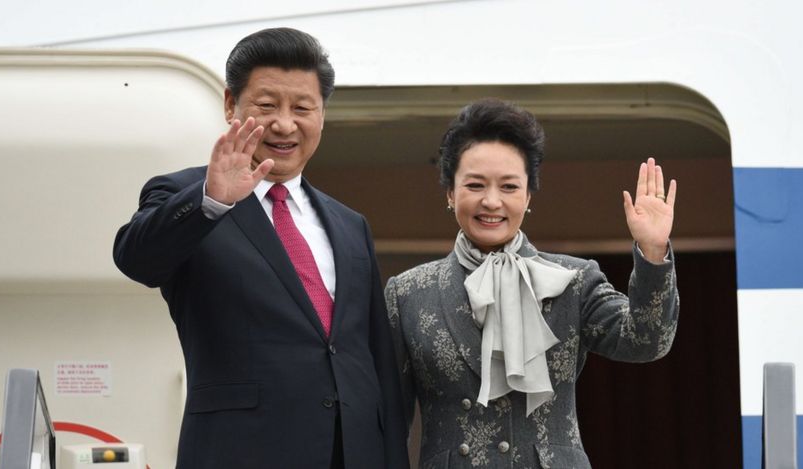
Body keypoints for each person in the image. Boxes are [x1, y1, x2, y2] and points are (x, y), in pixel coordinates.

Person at [113, 28, 409, 469]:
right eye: (267, 106)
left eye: (303, 108)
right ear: (231, 104)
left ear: (322, 114)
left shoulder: (350, 225)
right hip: (240, 452)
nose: (285, 124)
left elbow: (376, 363)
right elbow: (136, 260)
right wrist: (211, 200)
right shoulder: (189, 195)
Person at [385, 98, 679, 468]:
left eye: (509, 187)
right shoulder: (408, 293)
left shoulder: (573, 280)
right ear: (450, 192)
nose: (491, 201)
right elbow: (388, 423)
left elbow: (647, 342)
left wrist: (653, 252)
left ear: (528, 196)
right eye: (475, 185)